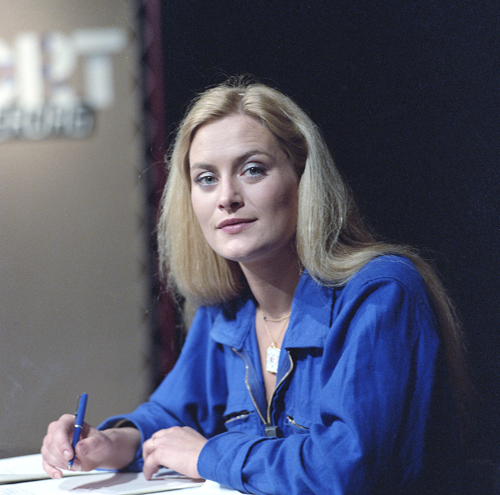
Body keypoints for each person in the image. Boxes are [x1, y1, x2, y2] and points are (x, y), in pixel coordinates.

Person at [41, 78, 471, 494]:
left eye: (252, 170)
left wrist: (210, 454)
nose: (226, 197)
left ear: (302, 179)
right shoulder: (225, 310)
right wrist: (115, 443)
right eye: (206, 178)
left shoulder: (381, 293)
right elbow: (172, 415)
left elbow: (343, 469)